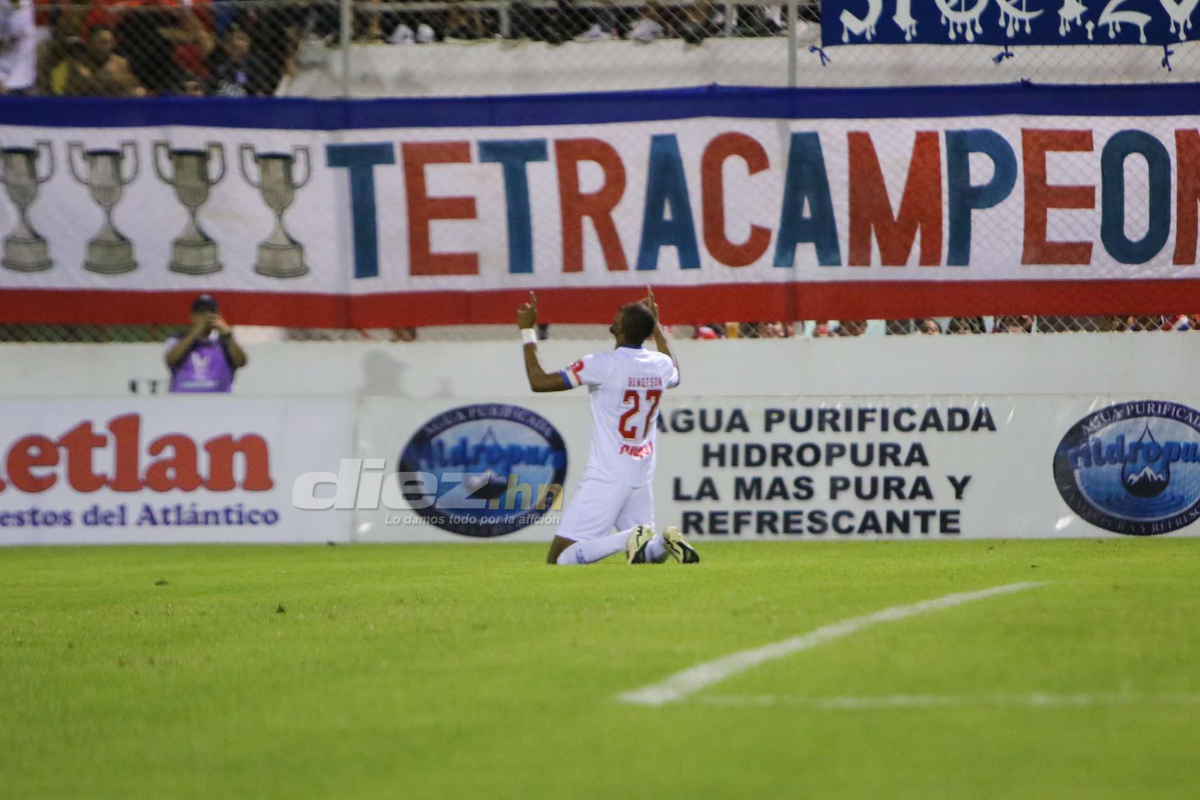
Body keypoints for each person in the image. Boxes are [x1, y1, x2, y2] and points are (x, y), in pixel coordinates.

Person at [517, 287, 699, 566]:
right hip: (641, 471)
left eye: (619, 314)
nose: (615, 315)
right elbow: (675, 373)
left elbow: (539, 382)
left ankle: (626, 538)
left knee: (560, 559)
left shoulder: (601, 364)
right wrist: (657, 327)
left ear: (621, 328)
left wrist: (527, 331)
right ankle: (664, 542)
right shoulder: (659, 364)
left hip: (607, 473)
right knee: (647, 555)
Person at [164, 294, 248, 393]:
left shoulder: (226, 341)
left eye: (211, 312)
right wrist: (195, 333)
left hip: (219, 399)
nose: (205, 316)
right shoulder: (178, 340)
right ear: (192, 316)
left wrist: (227, 335)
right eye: (201, 313)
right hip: (184, 399)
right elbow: (170, 360)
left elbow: (241, 362)